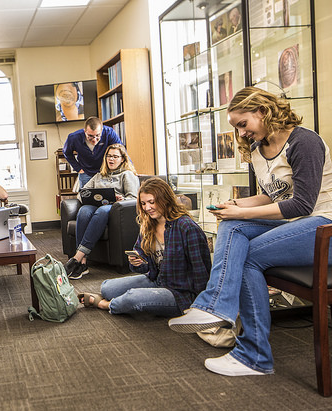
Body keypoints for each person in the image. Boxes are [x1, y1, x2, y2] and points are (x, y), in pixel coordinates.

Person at [168, 87, 332, 377]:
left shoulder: (304, 142)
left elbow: (302, 205)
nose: (241, 133)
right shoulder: (258, 149)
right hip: (295, 225)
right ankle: (218, 309)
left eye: (243, 124)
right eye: (236, 127)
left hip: (324, 228)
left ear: (263, 111)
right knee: (232, 226)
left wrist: (242, 212)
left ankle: (251, 352)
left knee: (245, 255)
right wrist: (236, 204)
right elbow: (273, 197)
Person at [78, 177, 211, 317]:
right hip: (158, 280)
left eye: (152, 202)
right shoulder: (148, 225)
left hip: (180, 292)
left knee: (133, 298)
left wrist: (201, 304)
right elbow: (143, 266)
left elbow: (201, 270)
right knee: (107, 288)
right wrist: (138, 262)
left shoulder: (187, 227)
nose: (147, 208)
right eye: (143, 203)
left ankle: (105, 304)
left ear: (165, 199)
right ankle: (115, 298)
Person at [64, 144, 139, 279]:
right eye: (109, 156)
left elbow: (133, 198)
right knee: (84, 211)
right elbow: (82, 193)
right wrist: (89, 197)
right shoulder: (99, 175)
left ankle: (78, 256)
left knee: (102, 211)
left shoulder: (127, 175)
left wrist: (121, 199)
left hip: (114, 209)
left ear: (122, 159)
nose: (111, 159)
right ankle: (83, 263)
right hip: (96, 206)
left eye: (115, 156)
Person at [62, 116, 124, 188]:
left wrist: (129, 171)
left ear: (102, 130)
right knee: (86, 196)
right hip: (86, 172)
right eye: (90, 136)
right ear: (85, 131)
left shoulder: (109, 133)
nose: (94, 140)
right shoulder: (73, 137)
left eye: (97, 135)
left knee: (107, 196)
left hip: (105, 171)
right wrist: (78, 168)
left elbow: (121, 151)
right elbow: (66, 153)